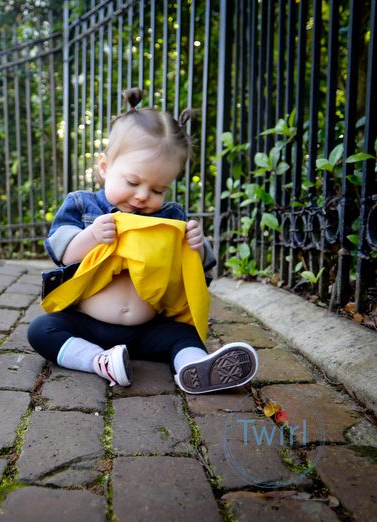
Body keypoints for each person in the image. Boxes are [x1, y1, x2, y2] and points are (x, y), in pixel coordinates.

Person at [28, 88, 258, 393]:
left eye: (158, 190)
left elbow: (200, 272)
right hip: (88, 323)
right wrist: (92, 236)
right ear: (105, 167)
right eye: (133, 182)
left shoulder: (170, 216)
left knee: (184, 334)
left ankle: (195, 366)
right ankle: (98, 360)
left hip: (146, 328)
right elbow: (63, 253)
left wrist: (198, 245)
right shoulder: (84, 207)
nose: (142, 196)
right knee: (42, 330)